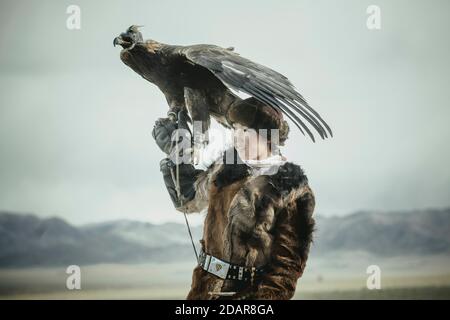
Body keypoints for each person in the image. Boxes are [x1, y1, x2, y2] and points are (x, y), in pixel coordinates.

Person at [152, 102, 316, 300]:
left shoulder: (291, 189)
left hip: (249, 295)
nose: (237, 137)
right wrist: (177, 156)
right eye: (234, 129)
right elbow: (188, 200)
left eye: (245, 130)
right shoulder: (226, 169)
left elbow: (286, 268)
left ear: (267, 136)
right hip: (204, 291)